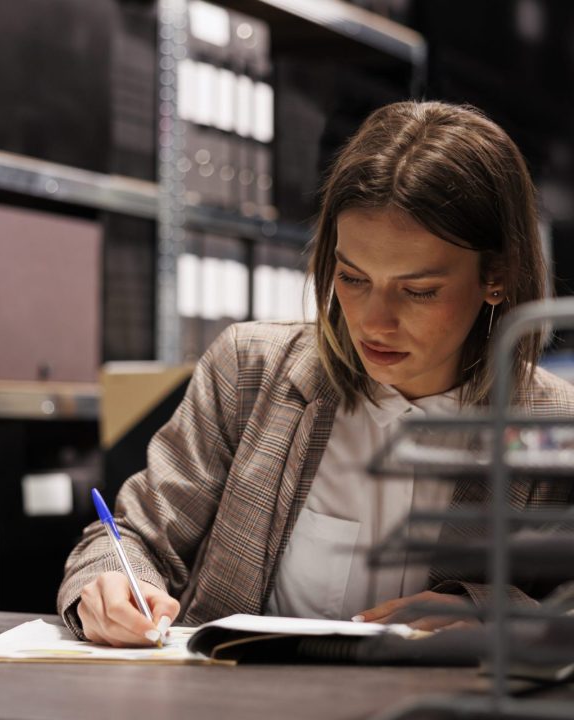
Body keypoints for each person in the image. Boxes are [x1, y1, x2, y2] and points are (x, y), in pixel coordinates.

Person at [58, 100, 574, 646]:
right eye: (352, 279)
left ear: (497, 276)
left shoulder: (554, 428)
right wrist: (113, 583)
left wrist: (494, 612)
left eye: (418, 290)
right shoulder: (251, 369)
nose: (375, 323)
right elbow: (131, 536)